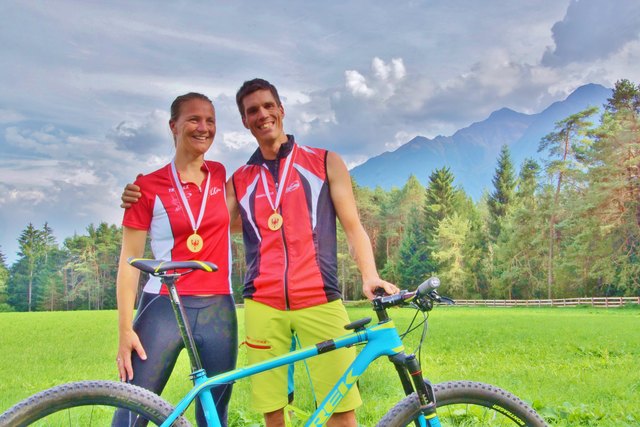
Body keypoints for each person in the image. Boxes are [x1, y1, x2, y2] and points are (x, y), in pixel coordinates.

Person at [122, 79, 398, 427]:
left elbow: (354, 227)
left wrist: (370, 276)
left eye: (269, 106)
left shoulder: (324, 162)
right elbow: (202, 220)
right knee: (273, 413)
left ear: (281, 110)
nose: (263, 115)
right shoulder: (240, 179)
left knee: (340, 409)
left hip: (321, 298)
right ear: (244, 121)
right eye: (253, 111)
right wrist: (139, 197)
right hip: (263, 304)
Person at [113, 93, 237, 427]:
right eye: (194, 119)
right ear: (174, 126)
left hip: (218, 309)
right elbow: (129, 263)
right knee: (132, 409)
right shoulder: (146, 187)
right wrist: (125, 329)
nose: (204, 127)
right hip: (163, 305)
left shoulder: (219, 175)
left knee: (214, 416)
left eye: (210, 120)